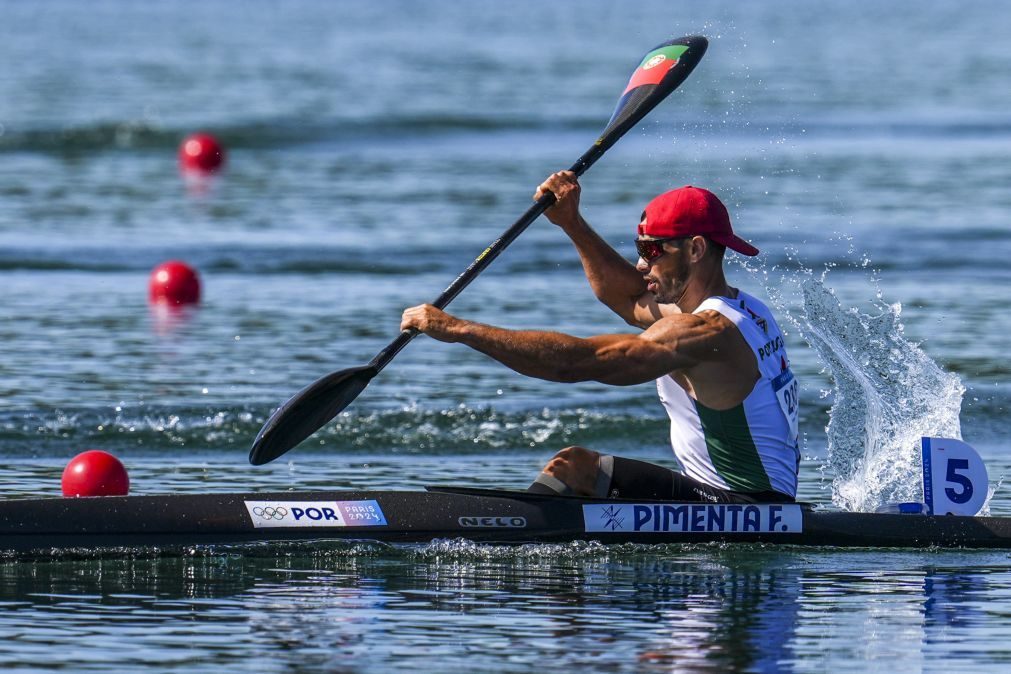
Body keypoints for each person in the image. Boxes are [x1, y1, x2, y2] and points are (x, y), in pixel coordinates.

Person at [401, 171, 800, 503]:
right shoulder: (744, 310)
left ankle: (508, 535)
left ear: (694, 249)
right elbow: (625, 296)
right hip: (746, 502)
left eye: (651, 250)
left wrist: (460, 330)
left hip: (747, 510)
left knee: (575, 469)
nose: (642, 264)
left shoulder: (705, 332)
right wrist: (571, 221)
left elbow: (574, 365)